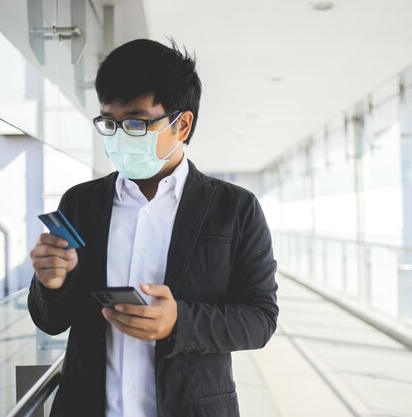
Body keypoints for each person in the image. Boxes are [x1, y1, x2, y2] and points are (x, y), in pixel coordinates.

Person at [27, 38, 278, 417]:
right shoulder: (81, 202)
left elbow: (261, 319)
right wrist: (51, 283)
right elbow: (52, 321)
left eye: (136, 122)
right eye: (110, 122)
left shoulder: (235, 208)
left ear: (182, 124)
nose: (119, 135)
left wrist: (180, 321)